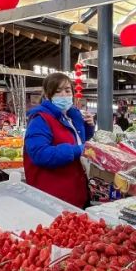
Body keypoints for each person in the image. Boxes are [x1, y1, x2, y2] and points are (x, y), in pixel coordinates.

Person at [24, 72, 94, 208]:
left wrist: (88, 127)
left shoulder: (72, 116)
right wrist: (77, 151)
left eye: (68, 90)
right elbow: (40, 154)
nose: (64, 95)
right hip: (53, 198)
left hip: (76, 191)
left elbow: (77, 141)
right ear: (48, 95)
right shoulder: (41, 119)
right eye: (58, 91)